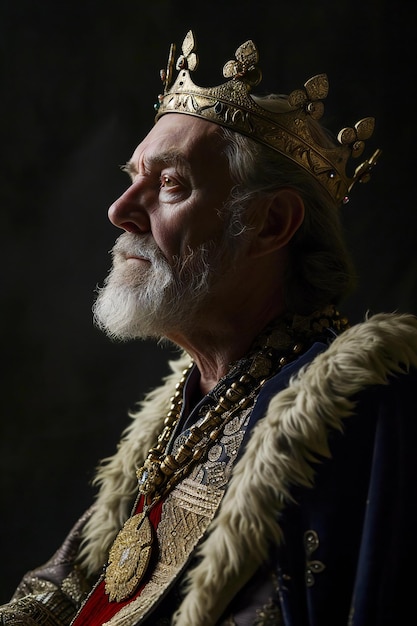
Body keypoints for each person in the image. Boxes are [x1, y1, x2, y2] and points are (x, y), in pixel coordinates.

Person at [2, 29, 417, 626]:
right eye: (133, 175)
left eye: (170, 183)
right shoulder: (181, 412)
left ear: (271, 224)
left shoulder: (359, 411)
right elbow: (63, 595)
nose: (119, 209)